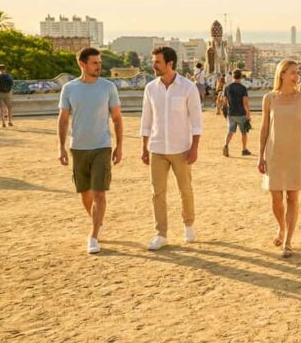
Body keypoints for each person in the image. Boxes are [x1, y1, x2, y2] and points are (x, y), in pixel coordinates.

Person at [57, 47, 124, 255]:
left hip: (102, 147)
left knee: (99, 193)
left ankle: (93, 235)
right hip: (78, 148)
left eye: (100, 63)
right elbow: (63, 119)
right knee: (85, 194)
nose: (99, 66)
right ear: (82, 64)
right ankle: (98, 222)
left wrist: (119, 145)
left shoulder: (108, 87)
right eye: (95, 63)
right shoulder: (69, 89)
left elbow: (117, 118)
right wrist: (61, 147)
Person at [140, 46, 202, 251]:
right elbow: (146, 119)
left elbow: (196, 120)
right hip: (157, 147)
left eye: (157, 61)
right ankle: (161, 233)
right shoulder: (150, 88)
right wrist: (144, 147)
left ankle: (189, 224)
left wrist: (194, 148)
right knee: (157, 193)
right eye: (153, 61)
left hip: (181, 148)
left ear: (170, 63)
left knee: (185, 189)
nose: (153, 65)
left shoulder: (188, 88)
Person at [258, 59, 301, 258]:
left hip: (296, 153)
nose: (296, 75)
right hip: (274, 152)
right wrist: (260, 155)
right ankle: (281, 227)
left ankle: (288, 241)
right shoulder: (269, 98)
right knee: (276, 198)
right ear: (281, 74)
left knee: (292, 197)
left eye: (297, 72)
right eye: (292, 72)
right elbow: (265, 128)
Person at [222, 69, 252, 157]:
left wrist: (226, 111)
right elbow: (245, 103)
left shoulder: (227, 88)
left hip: (231, 113)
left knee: (230, 131)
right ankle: (244, 149)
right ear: (241, 77)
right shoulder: (243, 88)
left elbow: (224, 101)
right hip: (241, 113)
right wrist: (248, 114)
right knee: (243, 132)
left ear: (233, 76)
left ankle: (226, 145)